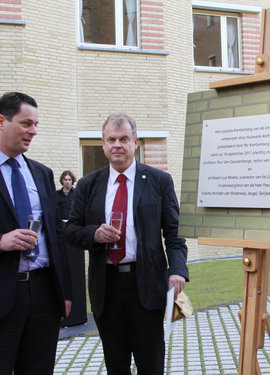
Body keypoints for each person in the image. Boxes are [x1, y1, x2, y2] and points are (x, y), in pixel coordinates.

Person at [65, 112, 189, 374]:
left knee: (150, 362)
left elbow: (175, 233)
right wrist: (94, 234)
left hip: (146, 286)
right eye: (111, 139)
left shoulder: (158, 181)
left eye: (124, 139)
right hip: (106, 288)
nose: (117, 145)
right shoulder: (88, 185)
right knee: (116, 363)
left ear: (136, 142)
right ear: (103, 144)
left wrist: (177, 270)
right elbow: (71, 230)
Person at [0, 92, 72, 374]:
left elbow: (56, 235)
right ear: (2, 121)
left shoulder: (42, 173)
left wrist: (64, 292)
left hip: (43, 293)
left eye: (36, 124)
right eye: (26, 123)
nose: (34, 131)